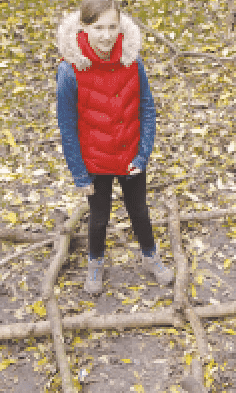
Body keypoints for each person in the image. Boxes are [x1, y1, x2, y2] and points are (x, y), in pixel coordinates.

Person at [56, 0, 173, 294]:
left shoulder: (132, 60)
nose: (106, 35)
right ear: (84, 27)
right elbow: (67, 128)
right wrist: (80, 175)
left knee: (139, 211)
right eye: (98, 28)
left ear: (120, 26)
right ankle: (96, 262)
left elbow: (146, 107)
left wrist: (143, 153)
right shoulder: (70, 71)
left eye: (112, 27)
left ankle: (150, 256)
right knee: (98, 217)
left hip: (131, 155)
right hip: (95, 161)